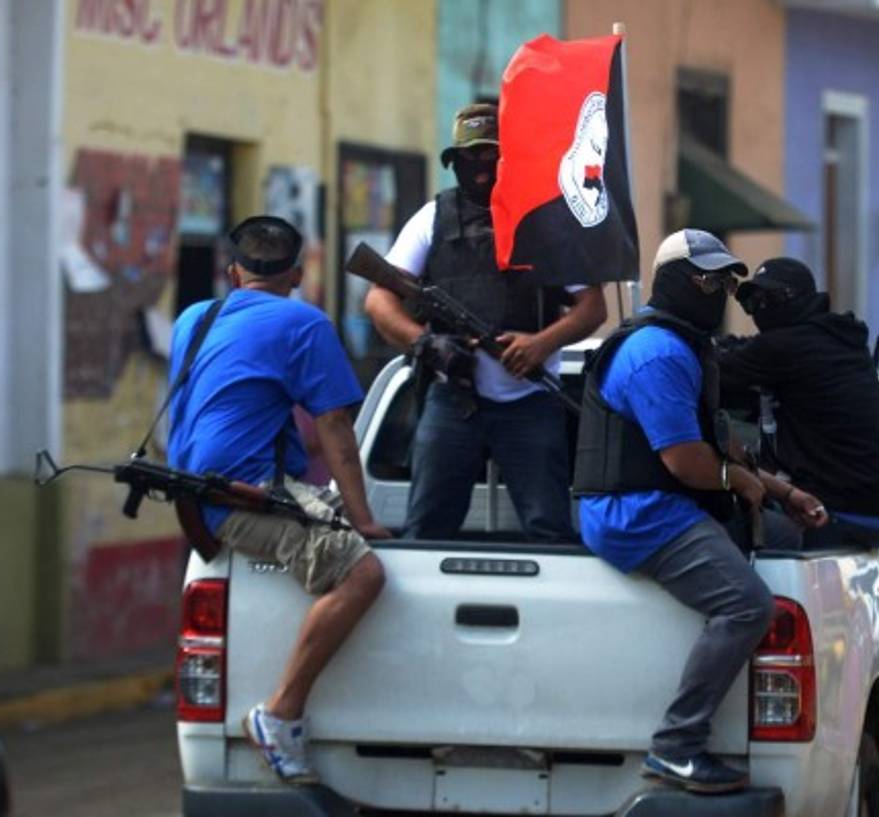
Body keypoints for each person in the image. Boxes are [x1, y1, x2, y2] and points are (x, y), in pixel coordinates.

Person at [573, 230, 826, 794]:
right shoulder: (658, 353)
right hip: (635, 512)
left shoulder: (685, 347)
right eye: (708, 281)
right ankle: (677, 746)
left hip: (662, 503)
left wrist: (783, 493)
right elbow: (686, 461)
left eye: (726, 284)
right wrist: (737, 481)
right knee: (748, 603)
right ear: (674, 282)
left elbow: (716, 447)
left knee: (783, 535)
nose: (720, 294)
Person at [168, 216, 387, 784]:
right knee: (363, 575)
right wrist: (364, 519)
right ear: (297, 273)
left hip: (198, 496)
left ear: (232, 272)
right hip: (242, 496)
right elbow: (334, 426)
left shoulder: (194, 318)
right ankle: (280, 713)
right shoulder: (303, 322)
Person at [364, 103, 606, 542]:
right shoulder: (433, 219)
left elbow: (593, 307)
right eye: (469, 157)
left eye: (489, 155)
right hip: (453, 398)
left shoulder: (544, 221)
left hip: (530, 400)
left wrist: (540, 344)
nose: (480, 168)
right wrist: (425, 344)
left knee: (549, 533)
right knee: (426, 532)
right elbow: (379, 299)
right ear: (454, 161)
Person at [718, 257, 879, 549]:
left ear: (798, 299)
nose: (761, 309)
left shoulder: (789, 348)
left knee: (716, 528)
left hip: (836, 513)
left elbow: (713, 369)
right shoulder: (834, 342)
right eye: (752, 302)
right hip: (876, 515)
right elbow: (744, 351)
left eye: (770, 298)